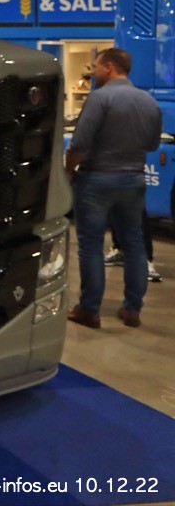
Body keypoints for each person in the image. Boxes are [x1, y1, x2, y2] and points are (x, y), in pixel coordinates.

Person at [65, 47, 162, 329]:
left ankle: (89, 310)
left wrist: (67, 172)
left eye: (95, 66)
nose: (93, 72)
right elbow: (153, 144)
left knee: (91, 245)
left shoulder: (99, 98)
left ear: (108, 67)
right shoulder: (149, 101)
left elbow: (79, 143)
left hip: (97, 180)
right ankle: (132, 309)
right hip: (134, 180)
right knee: (134, 244)